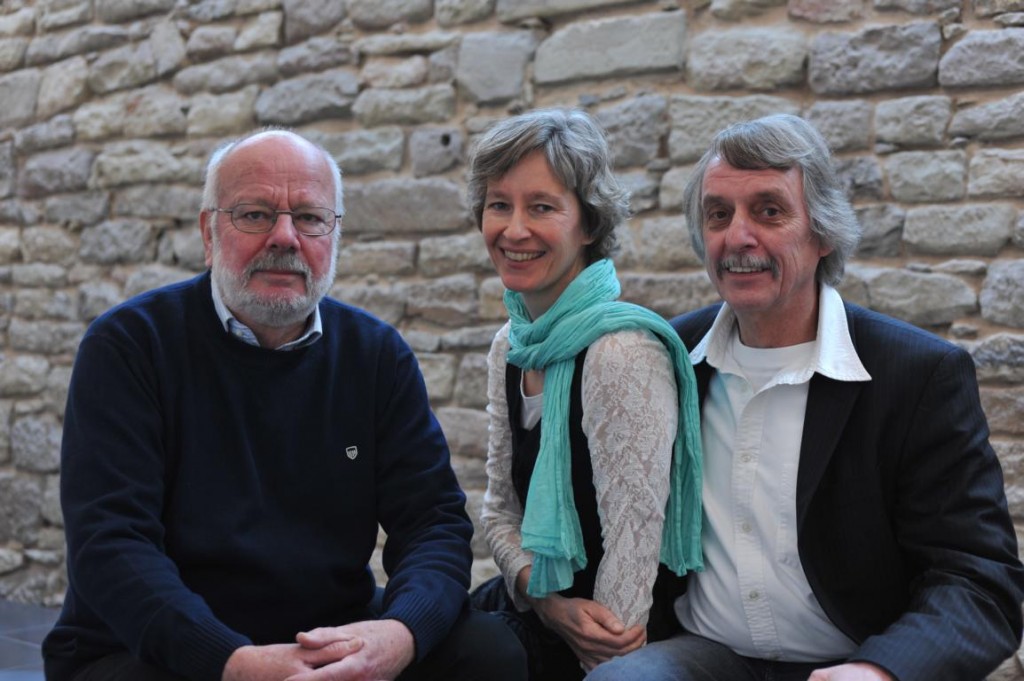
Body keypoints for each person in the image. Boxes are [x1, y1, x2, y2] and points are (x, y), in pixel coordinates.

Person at [42, 129, 527, 681]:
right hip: (160, 651)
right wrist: (234, 663)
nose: (285, 238)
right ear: (208, 232)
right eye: (254, 214)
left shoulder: (375, 356)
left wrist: (399, 634)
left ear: (334, 234)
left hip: (325, 633)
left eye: (310, 218)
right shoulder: (130, 345)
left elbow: (433, 523)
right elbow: (111, 542)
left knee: (487, 653)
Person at [586, 113, 1024, 681]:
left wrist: (880, 670)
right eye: (719, 214)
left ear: (822, 232)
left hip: (857, 658)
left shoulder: (916, 375)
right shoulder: (662, 358)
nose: (738, 236)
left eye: (769, 211)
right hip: (705, 656)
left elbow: (979, 580)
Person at [466, 108, 704, 680]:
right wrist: (545, 602)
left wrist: (587, 642)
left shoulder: (619, 351)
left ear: (589, 224)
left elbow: (632, 552)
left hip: (620, 637)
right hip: (544, 608)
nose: (514, 229)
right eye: (500, 204)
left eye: (541, 207)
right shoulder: (511, 344)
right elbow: (500, 510)